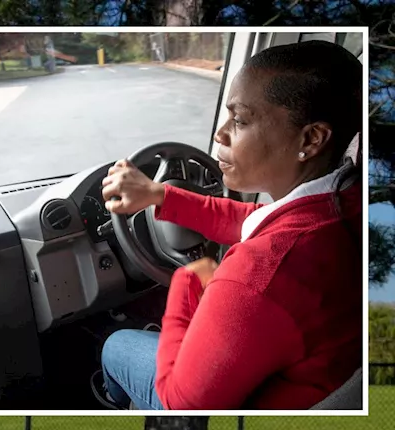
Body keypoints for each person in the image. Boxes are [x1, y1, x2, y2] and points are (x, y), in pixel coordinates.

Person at [97, 38, 363, 410]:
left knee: (116, 345)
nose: (219, 134)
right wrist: (161, 196)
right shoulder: (343, 203)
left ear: (312, 139)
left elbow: (182, 404)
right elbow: (252, 221)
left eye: (239, 120)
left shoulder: (258, 275)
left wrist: (189, 280)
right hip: (310, 377)